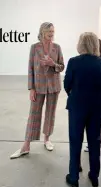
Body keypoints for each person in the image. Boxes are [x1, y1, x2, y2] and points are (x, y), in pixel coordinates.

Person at [10, 22, 64, 159]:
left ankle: (47, 139)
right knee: (33, 114)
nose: (51, 34)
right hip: (38, 86)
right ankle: (26, 145)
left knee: (50, 113)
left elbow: (62, 66)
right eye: (49, 32)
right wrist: (31, 88)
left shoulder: (57, 47)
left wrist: (53, 64)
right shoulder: (34, 48)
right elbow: (30, 68)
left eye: (53, 31)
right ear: (42, 32)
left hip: (53, 86)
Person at [64, 32, 101, 187]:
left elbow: (67, 84)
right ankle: (94, 176)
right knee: (94, 141)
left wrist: (74, 93)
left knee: (75, 140)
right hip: (97, 106)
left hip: (78, 105)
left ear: (81, 44)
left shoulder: (74, 62)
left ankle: (74, 177)